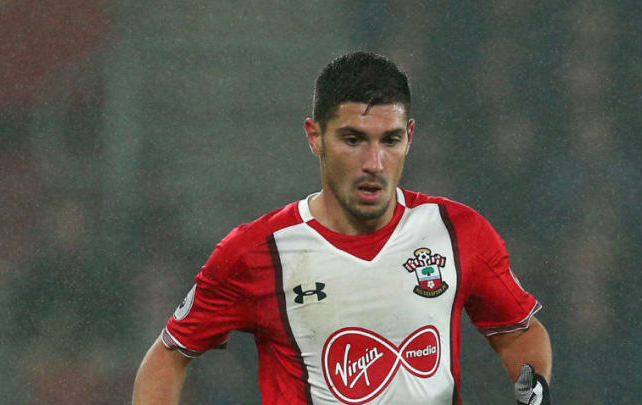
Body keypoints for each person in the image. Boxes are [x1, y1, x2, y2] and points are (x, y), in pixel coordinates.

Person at [133, 51, 552, 405]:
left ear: (409, 136)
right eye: (353, 140)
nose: (374, 163)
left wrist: (533, 393)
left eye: (389, 140)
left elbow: (519, 332)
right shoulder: (257, 252)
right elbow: (170, 355)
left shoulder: (456, 231)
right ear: (315, 136)